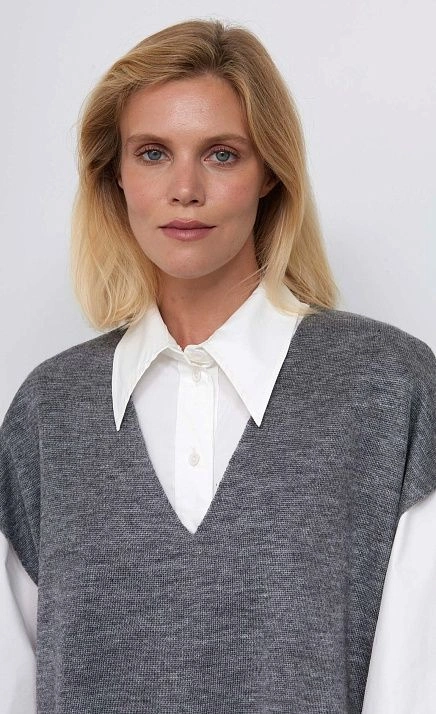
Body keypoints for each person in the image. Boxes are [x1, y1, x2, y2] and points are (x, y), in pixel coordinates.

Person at [0, 18, 435, 714]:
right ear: (115, 175)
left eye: (222, 155)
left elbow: (417, 682)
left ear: (270, 174)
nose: (185, 188)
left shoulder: (388, 389)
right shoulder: (50, 412)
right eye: (152, 153)